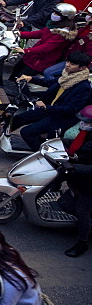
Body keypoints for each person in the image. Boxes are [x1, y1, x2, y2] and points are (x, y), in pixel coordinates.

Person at [10, 51, 91, 150]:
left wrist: (46, 107)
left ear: (82, 68)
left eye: (72, 64)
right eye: (68, 62)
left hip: (60, 117)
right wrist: (31, 78)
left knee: (26, 132)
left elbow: (71, 109)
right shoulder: (67, 76)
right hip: (50, 110)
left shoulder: (83, 87)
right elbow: (50, 82)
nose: (68, 65)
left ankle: (43, 155)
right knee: (18, 119)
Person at [11, 3, 78, 79]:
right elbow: (39, 33)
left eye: (57, 14)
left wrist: (26, 51)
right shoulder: (54, 25)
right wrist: (19, 34)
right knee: (16, 71)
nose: (53, 14)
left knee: (21, 77)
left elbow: (46, 48)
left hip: (40, 61)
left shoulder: (62, 34)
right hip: (32, 56)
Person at [62, 106, 92, 257]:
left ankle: (82, 243)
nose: (83, 124)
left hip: (89, 185)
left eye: (87, 122)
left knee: (83, 212)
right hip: (80, 177)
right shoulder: (85, 134)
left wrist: (75, 167)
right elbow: (76, 145)